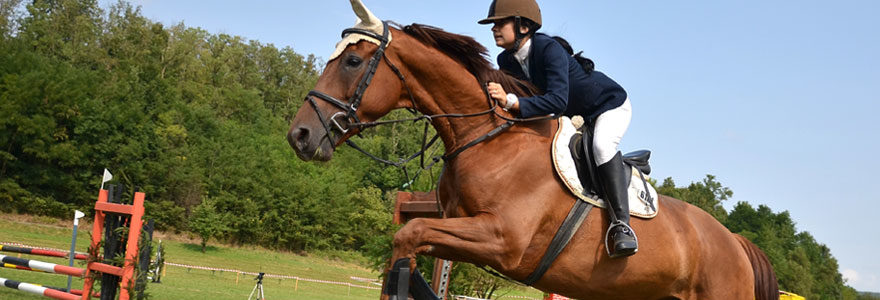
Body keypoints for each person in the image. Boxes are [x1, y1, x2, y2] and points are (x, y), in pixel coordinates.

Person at [479, 0, 637, 258]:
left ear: (523, 26)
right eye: (493, 24)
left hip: (608, 105)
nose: (494, 28)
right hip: (570, 114)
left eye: (500, 22)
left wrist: (510, 100)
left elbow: (556, 100)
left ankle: (622, 225)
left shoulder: (547, 48)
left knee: (601, 146)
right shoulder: (505, 59)